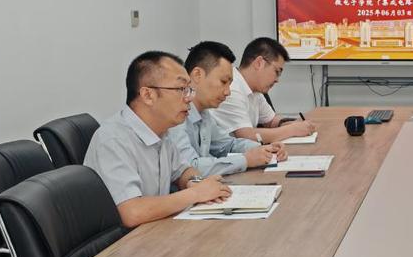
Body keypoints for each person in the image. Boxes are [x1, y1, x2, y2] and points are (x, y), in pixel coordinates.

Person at [85, 50, 230, 228]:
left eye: (189, 89)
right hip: (124, 241)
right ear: (148, 95)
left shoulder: (162, 132)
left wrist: (196, 183)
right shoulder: (113, 140)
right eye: (181, 89)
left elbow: (182, 171)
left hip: (154, 230)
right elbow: (131, 212)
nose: (189, 98)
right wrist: (195, 194)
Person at [171, 40, 287, 177]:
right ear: (197, 75)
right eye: (223, 82)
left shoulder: (205, 114)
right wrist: (245, 160)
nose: (228, 92)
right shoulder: (174, 115)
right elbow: (190, 167)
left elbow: (227, 145)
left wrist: (264, 149)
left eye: (229, 84)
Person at [211, 37, 316, 144]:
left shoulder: (255, 90)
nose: (277, 80)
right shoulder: (231, 89)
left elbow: (271, 121)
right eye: (277, 72)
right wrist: (292, 130)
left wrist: (291, 124)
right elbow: (246, 136)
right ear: (259, 63)